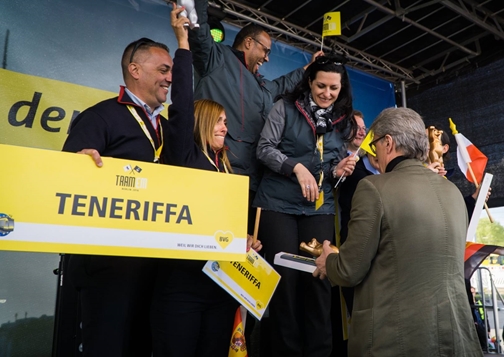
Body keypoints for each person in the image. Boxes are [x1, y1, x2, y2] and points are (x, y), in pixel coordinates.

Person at [314, 107, 484, 357]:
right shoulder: (453, 193)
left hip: (394, 340)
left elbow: (349, 270)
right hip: (456, 340)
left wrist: (328, 258)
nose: (374, 154)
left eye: (375, 146)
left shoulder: (373, 187)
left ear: (388, 143)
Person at [150, 6, 261, 356]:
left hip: (220, 287)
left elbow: (221, 225)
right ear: (201, 123)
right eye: (218, 120)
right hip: (181, 287)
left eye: (227, 121)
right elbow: (182, 105)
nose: (225, 127)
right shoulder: (184, 155)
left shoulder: (225, 166)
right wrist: (182, 43)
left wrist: (242, 240)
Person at [61, 35, 173, 356]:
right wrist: (78, 164)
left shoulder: (167, 129)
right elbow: (66, 174)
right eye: (163, 69)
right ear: (135, 70)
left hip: (154, 264)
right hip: (108, 267)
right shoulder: (100, 117)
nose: (170, 78)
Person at [187, 0, 323, 234]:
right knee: (210, 242)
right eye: (265, 50)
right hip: (218, 174)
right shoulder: (216, 59)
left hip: (252, 183)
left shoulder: (262, 86)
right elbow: (198, 32)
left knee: (243, 247)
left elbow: (281, 85)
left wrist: (308, 69)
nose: (267, 58)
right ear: (249, 42)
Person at [253, 54, 357, 357]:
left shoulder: (342, 120)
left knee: (319, 281)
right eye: (321, 85)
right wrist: (295, 168)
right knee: (285, 284)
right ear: (309, 81)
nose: (327, 93)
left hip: (319, 209)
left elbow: (334, 161)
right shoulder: (283, 108)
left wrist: (339, 170)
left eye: (334, 88)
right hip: (277, 206)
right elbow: (264, 148)